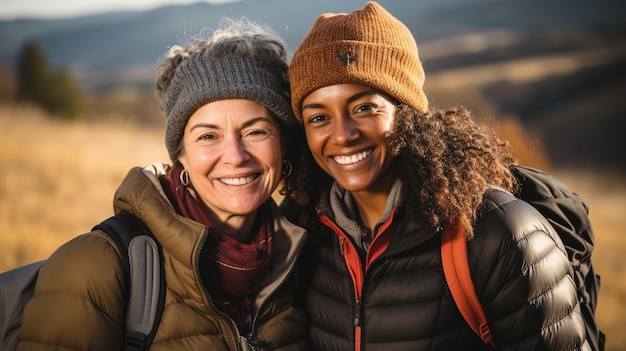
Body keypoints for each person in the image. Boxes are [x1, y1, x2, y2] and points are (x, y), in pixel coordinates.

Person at [282, 2, 590, 350]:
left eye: (365, 108)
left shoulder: (495, 233)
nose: (342, 134)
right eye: (318, 118)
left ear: (407, 113)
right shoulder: (301, 231)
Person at [17, 18, 309, 350]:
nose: (235, 156)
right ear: (180, 155)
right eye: (208, 136)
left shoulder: (301, 263)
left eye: (256, 131)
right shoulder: (96, 266)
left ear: (283, 143)